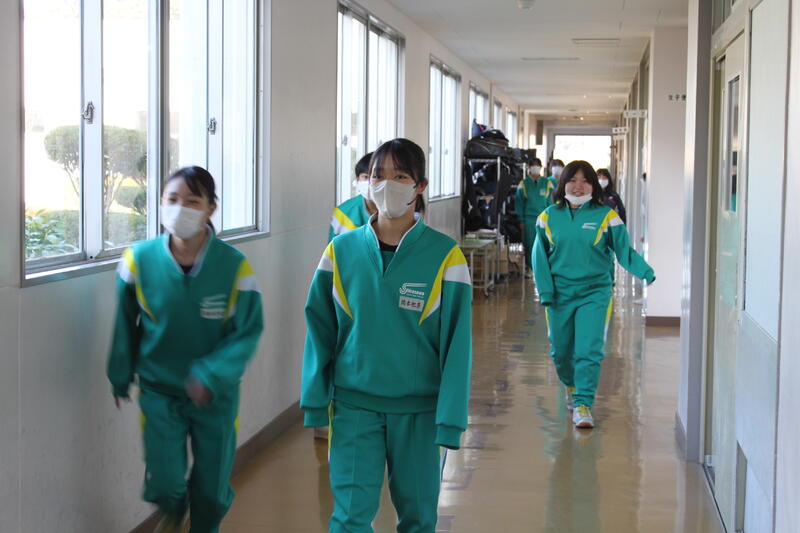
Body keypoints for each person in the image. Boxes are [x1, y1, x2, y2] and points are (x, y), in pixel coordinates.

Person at [301, 138, 473, 532]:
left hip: (420, 412)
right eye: (378, 175)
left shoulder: (446, 257)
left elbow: (457, 346)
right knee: (349, 517)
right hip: (353, 406)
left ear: (420, 186)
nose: (385, 184)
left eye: (400, 176)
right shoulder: (340, 252)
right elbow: (319, 329)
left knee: (418, 517)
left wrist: (451, 419)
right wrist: (315, 399)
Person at [107, 166, 264, 533]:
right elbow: (124, 324)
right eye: (172, 199)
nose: (180, 208)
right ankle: (173, 511)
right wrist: (119, 375)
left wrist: (211, 375)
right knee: (165, 482)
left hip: (216, 397)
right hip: (159, 391)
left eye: (193, 201)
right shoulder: (138, 261)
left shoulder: (234, 267)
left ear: (211, 209)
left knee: (210, 490)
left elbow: (247, 332)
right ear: (160, 203)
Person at [532, 160, 654, 429]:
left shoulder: (607, 216)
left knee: (589, 348)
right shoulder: (548, 217)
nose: (579, 186)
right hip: (560, 294)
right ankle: (571, 386)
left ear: (593, 186)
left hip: (595, 293)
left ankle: (583, 404)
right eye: (572, 180)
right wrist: (546, 292)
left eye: (585, 181)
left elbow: (624, 251)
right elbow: (539, 257)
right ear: (563, 184)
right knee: (560, 352)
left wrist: (644, 271)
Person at [515, 158, 556, 278]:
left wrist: (551, 218)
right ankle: (530, 267)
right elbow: (519, 203)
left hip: (544, 219)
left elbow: (551, 202)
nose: (535, 168)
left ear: (541, 167)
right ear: (529, 168)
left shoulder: (547, 183)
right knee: (530, 244)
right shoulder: (523, 184)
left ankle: (543, 268)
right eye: (533, 165)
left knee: (545, 244)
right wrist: (521, 220)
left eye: (537, 165)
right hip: (529, 219)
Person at [329, 152, 377, 242]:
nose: (370, 182)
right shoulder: (343, 213)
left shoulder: (400, 210)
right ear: (357, 179)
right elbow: (332, 249)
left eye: (375, 176)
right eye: (365, 177)